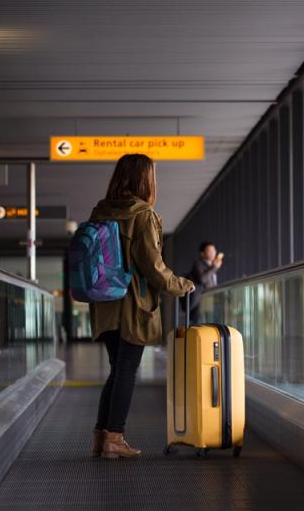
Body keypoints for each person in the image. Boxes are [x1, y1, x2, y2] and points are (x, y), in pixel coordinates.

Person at [88, 153, 194, 459]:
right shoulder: (143, 215)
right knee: (126, 372)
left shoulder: (100, 212)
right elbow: (153, 266)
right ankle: (114, 437)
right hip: (132, 307)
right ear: (144, 180)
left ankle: (101, 437)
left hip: (105, 303)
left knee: (116, 370)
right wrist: (181, 284)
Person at [182, 241, 223, 324]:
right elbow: (202, 279)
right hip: (200, 304)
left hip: (211, 302)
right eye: (209, 251)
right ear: (202, 253)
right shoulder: (198, 264)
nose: (212, 253)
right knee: (200, 327)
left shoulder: (211, 266)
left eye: (214, 251)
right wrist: (215, 267)